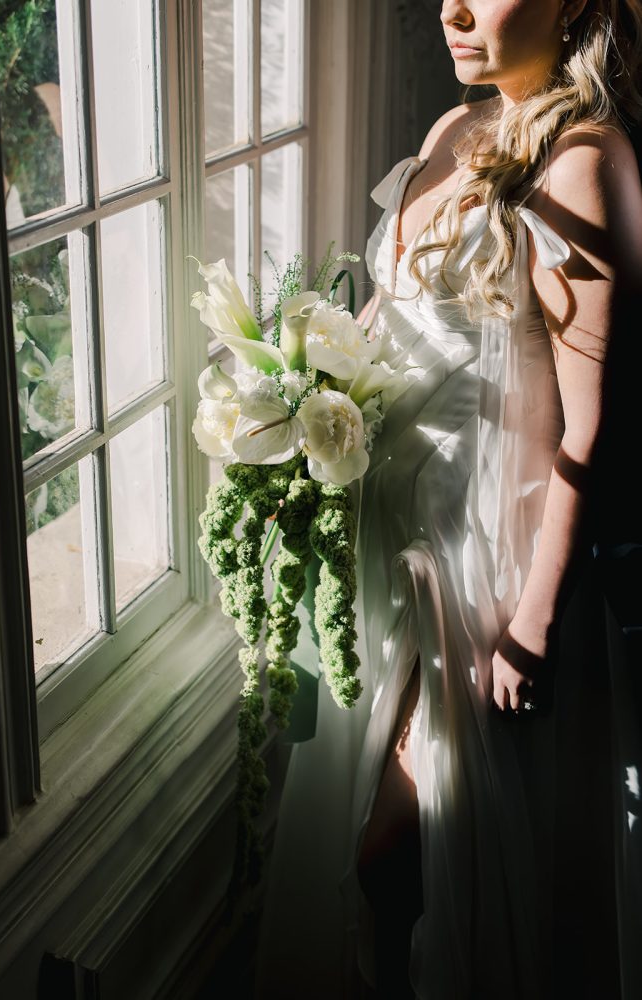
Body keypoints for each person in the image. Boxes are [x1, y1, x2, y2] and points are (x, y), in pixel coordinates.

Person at [254, 2, 642, 998]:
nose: (452, 8)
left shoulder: (583, 164)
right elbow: (382, 322)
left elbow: (595, 426)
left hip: (484, 562)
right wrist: (289, 411)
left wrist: (535, 621)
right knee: (366, 852)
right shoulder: (453, 129)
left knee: (408, 848)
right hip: (384, 536)